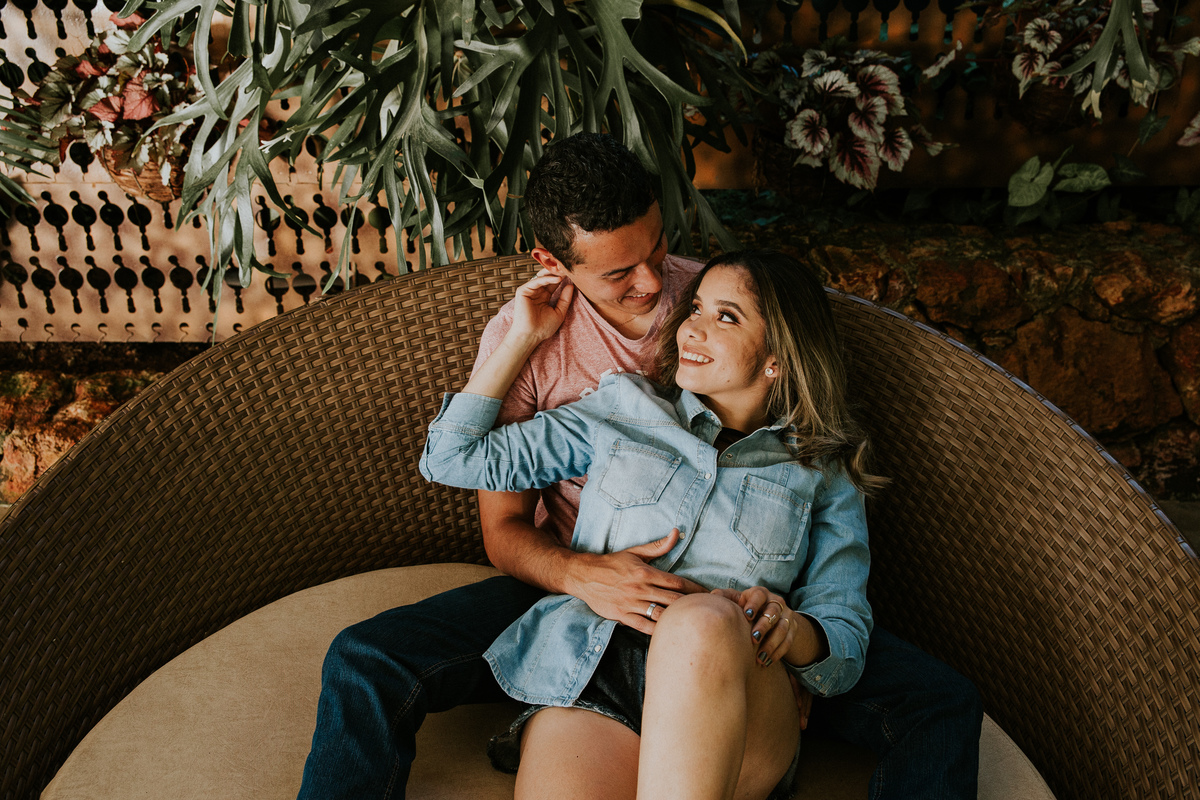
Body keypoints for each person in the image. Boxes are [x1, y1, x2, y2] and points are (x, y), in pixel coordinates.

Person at [297, 132, 983, 799]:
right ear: (554, 261)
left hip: (731, 627)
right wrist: (582, 574)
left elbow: (836, 607)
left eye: (657, 248)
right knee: (367, 658)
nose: (657, 287)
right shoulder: (580, 375)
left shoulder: (715, 303)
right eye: (621, 272)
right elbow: (490, 510)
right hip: (581, 589)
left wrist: (793, 640)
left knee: (937, 699)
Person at [419, 249, 879, 798]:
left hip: (738, 695)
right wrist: (518, 339)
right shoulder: (622, 409)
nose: (692, 330)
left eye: (725, 317)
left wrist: (792, 629)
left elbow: (844, 641)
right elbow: (451, 459)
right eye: (696, 310)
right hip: (596, 673)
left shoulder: (822, 473)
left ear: (777, 357)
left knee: (702, 618)